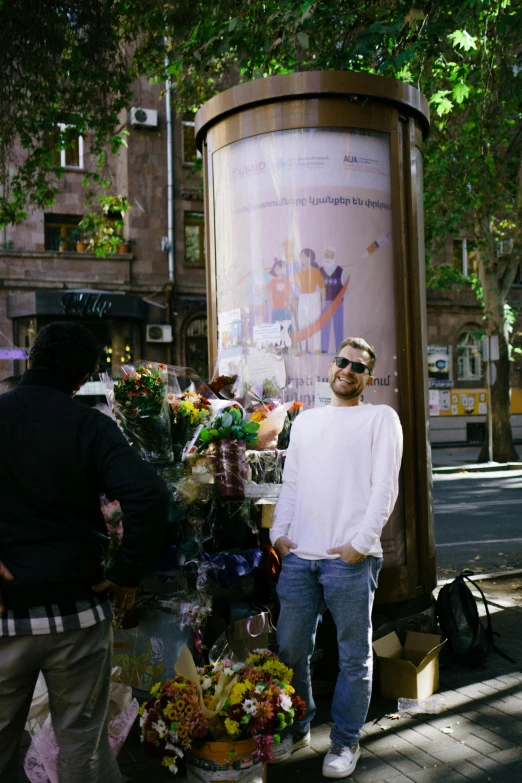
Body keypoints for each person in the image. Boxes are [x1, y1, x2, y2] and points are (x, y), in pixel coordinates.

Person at [0, 322, 169, 783]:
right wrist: (128, 572)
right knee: (81, 746)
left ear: (31, 360)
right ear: (81, 379)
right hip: (77, 611)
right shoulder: (90, 426)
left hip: (5, 612)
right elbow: (151, 496)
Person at [270, 337, 403, 778]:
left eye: (359, 367)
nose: (348, 370)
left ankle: (346, 741)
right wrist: (279, 533)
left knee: (353, 655)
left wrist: (360, 544)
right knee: (290, 649)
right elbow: (291, 484)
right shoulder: (306, 422)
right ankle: (299, 727)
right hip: (299, 558)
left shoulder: (381, 418)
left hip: (349, 559)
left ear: (369, 377)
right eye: (343, 362)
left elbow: (385, 488)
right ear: (331, 367)